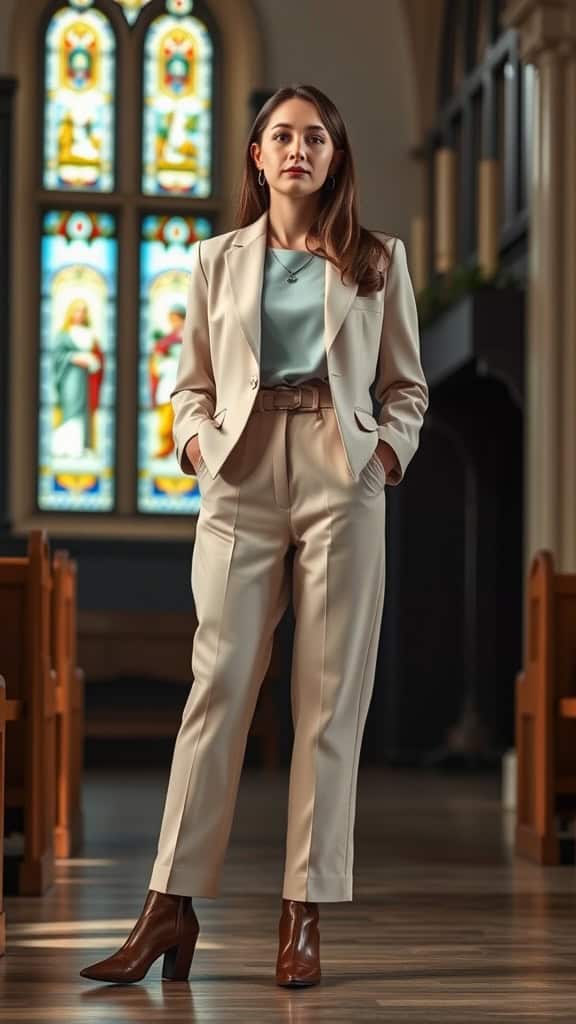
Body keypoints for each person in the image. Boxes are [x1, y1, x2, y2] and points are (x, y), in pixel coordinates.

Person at [80, 83, 428, 988]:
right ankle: (169, 907)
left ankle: (302, 914)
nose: (297, 149)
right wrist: (195, 440)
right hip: (238, 475)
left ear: (336, 156)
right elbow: (187, 379)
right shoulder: (214, 260)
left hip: (339, 471)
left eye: (316, 136)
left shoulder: (378, 260)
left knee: (326, 698)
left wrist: (382, 459)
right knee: (220, 685)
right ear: (257, 156)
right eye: (281, 135)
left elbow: (407, 389)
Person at [51, 297, 104, 458]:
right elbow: (57, 356)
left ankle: (84, 445)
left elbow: (98, 355)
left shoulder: (90, 334)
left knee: (85, 410)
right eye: (77, 310)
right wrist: (74, 357)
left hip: (87, 379)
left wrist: (94, 360)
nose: (80, 314)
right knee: (72, 408)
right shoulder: (64, 334)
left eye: (83, 311)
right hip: (70, 377)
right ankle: (67, 446)